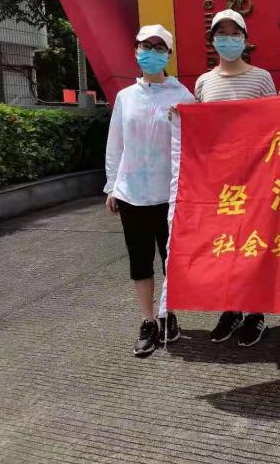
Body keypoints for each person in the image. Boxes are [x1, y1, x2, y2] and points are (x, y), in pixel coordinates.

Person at [104, 24, 194, 357]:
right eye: (146, 46)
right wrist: (112, 185)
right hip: (132, 194)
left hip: (170, 195)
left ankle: (169, 315)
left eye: (159, 48)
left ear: (169, 55)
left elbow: (194, 145)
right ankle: (147, 321)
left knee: (172, 262)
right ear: (135, 50)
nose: (151, 53)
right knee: (140, 262)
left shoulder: (183, 96)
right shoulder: (126, 97)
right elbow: (116, 144)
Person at [198, 9, 278, 347]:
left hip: (256, 179)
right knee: (226, 248)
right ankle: (231, 309)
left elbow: (275, 127)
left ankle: (256, 312)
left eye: (235, 33)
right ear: (212, 39)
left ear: (245, 40)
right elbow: (200, 133)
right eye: (222, 33)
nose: (228, 39)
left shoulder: (261, 79)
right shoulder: (204, 82)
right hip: (220, 183)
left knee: (254, 246)